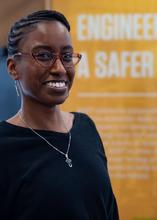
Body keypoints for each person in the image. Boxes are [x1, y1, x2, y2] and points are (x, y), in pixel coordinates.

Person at [0, 10, 119, 220]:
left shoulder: (85, 127)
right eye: (44, 55)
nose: (59, 68)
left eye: (66, 56)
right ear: (13, 67)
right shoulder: (4, 145)